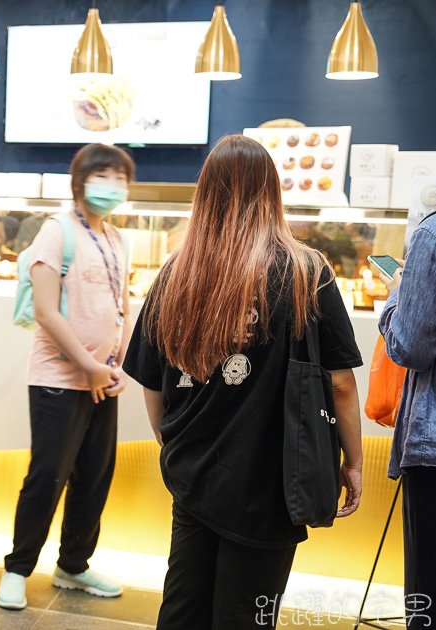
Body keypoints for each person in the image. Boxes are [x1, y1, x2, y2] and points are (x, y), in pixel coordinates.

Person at [122, 135, 363, 630]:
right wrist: (353, 461)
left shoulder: (176, 272)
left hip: (195, 471)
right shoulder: (306, 270)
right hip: (273, 476)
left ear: (204, 193)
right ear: (272, 191)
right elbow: (339, 383)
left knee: (184, 606)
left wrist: (171, 438)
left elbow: (150, 379)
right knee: (247, 614)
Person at [0, 143, 133, 610]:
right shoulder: (56, 231)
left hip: (104, 379)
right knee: (48, 475)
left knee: (94, 476)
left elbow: (122, 305)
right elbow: (45, 312)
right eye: (103, 176)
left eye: (120, 177)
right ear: (79, 181)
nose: (112, 185)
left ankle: (73, 565)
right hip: (59, 376)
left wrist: (119, 364)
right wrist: (90, 365)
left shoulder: (117, 238)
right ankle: (17, 568)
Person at [378, 212, 436, 630]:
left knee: (427, 599)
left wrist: (398, 295)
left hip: (434, 449)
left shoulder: (431, 233)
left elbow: (409, 346)